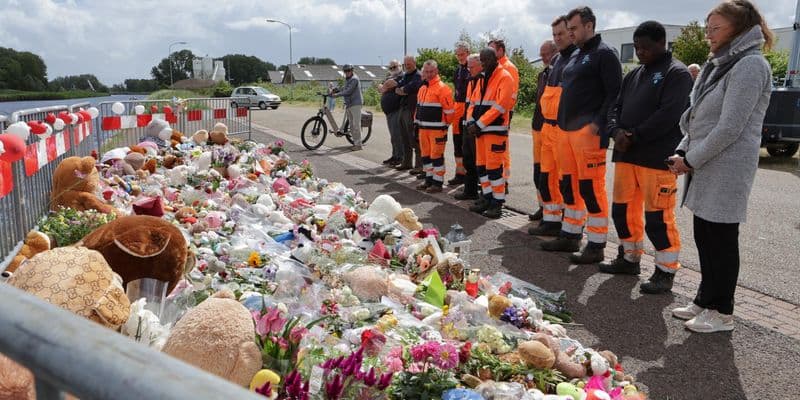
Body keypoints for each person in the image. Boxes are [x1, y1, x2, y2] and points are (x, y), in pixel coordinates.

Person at [668, 0, 773, 333]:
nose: (709, 36)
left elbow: (730, 127)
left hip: (727, 168)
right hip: (705, 164)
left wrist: (690, 160)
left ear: (739, 30)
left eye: (716, 29)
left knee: (722, 239)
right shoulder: (722, 63)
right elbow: (700, 115)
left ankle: (722, 311)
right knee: (705, 235)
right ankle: (705, 299)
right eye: (708, 28)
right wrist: (683, 150)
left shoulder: (750, 65)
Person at [601, 21, 693, 295]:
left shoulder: (676, 74)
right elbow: (614, 106)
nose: (640, 52)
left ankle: (665, 271)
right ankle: (629, 258)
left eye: (645, 47)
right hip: (626, 156)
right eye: (637, 46)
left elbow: (669, 115)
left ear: (661, 43)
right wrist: (616, 130)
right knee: (622, 211)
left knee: (658, 218)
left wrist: (634, 135)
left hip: (656, 158)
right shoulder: (634, 74)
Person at [540, 6, 622, 265]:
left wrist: (599, 124)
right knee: (569, 185)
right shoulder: (576, 55)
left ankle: (596, 244)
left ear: (589, 25)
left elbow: (614, 94)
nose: (571, 33)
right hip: (565, 132)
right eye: (569, 29)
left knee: (591, 188)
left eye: (574, 28)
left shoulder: (605, 54)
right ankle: (571, 234)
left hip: (587, 135)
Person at [529, 15, 578, 237]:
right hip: (547, 128)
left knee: (566, 182)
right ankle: (551, 221)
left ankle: (570, 228)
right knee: (546, 177)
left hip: (564, 130)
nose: (558, 38)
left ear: (571, 32)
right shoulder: (558, 62)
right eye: (554, 34)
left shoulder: (576, 58)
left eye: (561, 33)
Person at [466, 48, 515, 219]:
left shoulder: (505, 77)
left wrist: (478, 123)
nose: (483, 63)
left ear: (495, 58)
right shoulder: (481, 79)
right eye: (482, 60)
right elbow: (472, 102)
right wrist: (471, 121)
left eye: (486, 59)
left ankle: (497, 204)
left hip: (494, 130)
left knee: (494, 170)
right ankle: (487, 198)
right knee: (482, 168)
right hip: (480, 131)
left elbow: (501, 106)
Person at [414, 60, 455, 193]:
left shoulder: (443, 88)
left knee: (436, 157)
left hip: (437, 130)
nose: (429, 74)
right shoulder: (422, 88)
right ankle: (429, 180)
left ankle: (437, 183)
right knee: (426, 156)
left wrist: (445, 126)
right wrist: (416, 123)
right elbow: (418, 108)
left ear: (436, 71)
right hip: (423, 129)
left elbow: (450, 112)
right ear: (423, 72)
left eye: (431, 71)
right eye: (426, 71)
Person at [529, 39, 558, 223]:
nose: (543, 57)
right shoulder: (542, 74)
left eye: (546, 54)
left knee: (550, 175)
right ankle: (542, 206)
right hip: (537, 127)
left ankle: (553, 211)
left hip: (551, 130)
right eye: (541, 54)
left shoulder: (559, 73)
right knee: (537, 173)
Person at [488, 39, 519, 191]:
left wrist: (502, 111)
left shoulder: (508, 68)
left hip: (502, 113)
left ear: (501, 51)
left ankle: (503, 180)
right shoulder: (494, 67)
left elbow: (511, 96)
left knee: (501, 148)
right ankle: (495, 179)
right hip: (492, 113)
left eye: (492, 50)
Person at [455, 53, 484, 201]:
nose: (469, 69)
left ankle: (482, 194)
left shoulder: (484, 80)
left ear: (481, 65)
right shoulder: (471, 81)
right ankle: (470, 190)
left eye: (471, 67)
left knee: (479, 162)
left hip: (478, 128)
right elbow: (469, 104)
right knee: (468, 160)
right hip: (468, 125)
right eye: (468, 66)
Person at [394, 56, 424, 173]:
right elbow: (398, 88)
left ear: (414, 63)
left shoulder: (418, 75)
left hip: (412, 110)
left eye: (409, 64)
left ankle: (419, 165)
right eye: (405, 64)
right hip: (403, 109)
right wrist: (403, 89)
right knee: (404, 138)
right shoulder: (406, 75)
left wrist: (403, 90)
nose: (407, 66)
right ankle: (406, 163)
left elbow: (408, 88)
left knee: (414, 138)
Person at [448, 42, 471, 186]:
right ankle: (460, 173)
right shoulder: (458, 70)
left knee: (467, 144)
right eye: (458, 55)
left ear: (468, 53)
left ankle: (470, 176)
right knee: (457, 142)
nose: (460, 57)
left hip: (468, 108)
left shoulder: (473, 68)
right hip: (457, 108)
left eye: (462, 54)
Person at [332, 64, 363, 151]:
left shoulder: (354, 79)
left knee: (356, 125)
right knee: (352, 126)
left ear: (352, 70)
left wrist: (337, 95)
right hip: (349, 104)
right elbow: (344, 87)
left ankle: (359, 145)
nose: (347, 73)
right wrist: (336, 89)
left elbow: (348, 91)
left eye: (348, 71)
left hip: (356, 104)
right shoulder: (347, 79)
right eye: (345, 71)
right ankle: (355, 143)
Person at [379, 60, 404, 166]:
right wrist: (384, 86)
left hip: (396, 110)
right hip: (389, 112)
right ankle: (395, 155)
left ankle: (399, 157)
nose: (393, 69)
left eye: (395, 67)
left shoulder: (402, 76)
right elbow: (381, 88)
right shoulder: (390, 76)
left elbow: (389, 84)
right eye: (391, 68)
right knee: (393, 136)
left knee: (397, 135)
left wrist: (384, 86)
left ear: (400, 66)